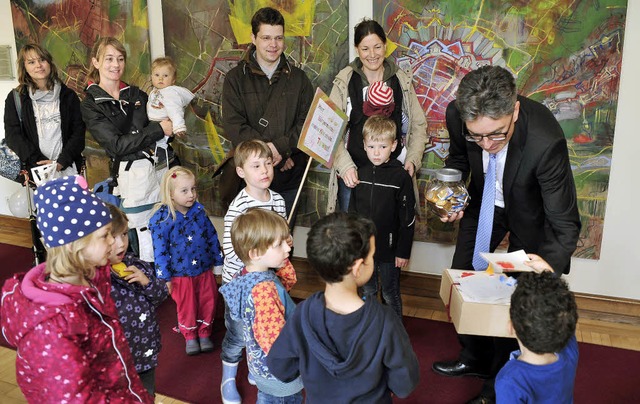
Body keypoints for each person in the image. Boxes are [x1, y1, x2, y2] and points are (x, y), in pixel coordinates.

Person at [431, 65, 582, 404]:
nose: (486, 145)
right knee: (463, 273)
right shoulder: (458, 115)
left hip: (530, 211)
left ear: (514, 110)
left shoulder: (546, 141)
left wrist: (546, 270)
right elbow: (460, 159)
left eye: (496, 134)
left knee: (513, 297)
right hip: (485, 201)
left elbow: (565, 221)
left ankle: (495, 387)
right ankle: (473, 356)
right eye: (477, 136)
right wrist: (452, 197)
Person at [0, 175, 152, 403]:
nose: (113, 242)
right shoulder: (52, 330)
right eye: (105, 236)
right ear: (74, 246)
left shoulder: (93, 275)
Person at [267, 212, 420, 402]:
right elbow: (404, 383)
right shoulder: (385, 320)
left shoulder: (302, 313)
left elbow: (280, 367)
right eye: (371, 257)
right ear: (357, 267)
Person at [81, 37, 173, 263]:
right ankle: (144, 282)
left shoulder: (137, 95)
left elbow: (159, 123)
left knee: (163, 224)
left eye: (120, 59)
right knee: (138, 234)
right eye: (109, 59)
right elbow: (117, 145)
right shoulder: (91, 104)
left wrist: (159, 129)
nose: (116, 64)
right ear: (96, 62)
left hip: (159, 171)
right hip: (131, 179)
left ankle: (164, 280)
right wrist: (158, 130)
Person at [222, 6, 314, 217]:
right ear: (253, 38)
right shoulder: (234, 79)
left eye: (279, 38)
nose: (273, 45)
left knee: (283, 243)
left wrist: (282, 149)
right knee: (251, 244)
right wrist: (272, 152)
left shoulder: (299, 79)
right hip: (250, 182)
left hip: (288, 176)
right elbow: (234, 126)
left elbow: (307, 123)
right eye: (266, 38)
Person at [328, 18, 427, 212]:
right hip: (353, 175)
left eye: (377, 47)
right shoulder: (344, 82)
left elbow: (418, 125)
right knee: (355, 236)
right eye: (365, 49)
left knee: (390, 232)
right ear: (357, 49)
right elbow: (331, 130)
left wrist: (412, 160)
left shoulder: (401, 80)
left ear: (385, 46)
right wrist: (345, 165)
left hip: (393, 174)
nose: (372, 54)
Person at [219, 139, 288, 404]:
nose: (265, 170)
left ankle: (255, 367)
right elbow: (231, 248)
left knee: (262, 330)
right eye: (256, 165)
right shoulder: (239, 207)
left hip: (269, 281)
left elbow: (279, 235)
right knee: (238, 334)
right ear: (241, 172)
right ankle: (227, 377)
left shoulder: (279, 200)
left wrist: (284, 243)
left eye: (268, 163)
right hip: (242, 284)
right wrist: (246, 283)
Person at [219, 208, 303, 404]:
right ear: (255, 253)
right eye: (279, 244)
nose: (288, 248)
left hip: (261, 368)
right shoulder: (264, 291)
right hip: (280, 376)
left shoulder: (247, 272)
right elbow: (276, 342)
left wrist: (281, 259)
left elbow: (285, 283)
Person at [148, 166, 223, 355]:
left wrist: (218, 261)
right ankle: (190, 335)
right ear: (171, 194)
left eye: (193, 189)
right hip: (180, 274)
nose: (191, 194)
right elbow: (160, 251)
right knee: (187, 305)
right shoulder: (163, 219)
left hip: (204, 269)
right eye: (184, 190)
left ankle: (204, 332)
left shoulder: (199, 212)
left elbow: (212, 237)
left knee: (208, 300)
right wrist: (164, 278)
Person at [349, 115, 416, 317]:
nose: (376, 153)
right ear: (364, 145)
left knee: (389, 292)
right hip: (364, 250)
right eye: (371, 147)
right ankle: (371, 327)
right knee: (368, 291)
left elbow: (408, 218)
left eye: (382, 147)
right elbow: (352, 215)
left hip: (390, 251)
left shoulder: (401, 177)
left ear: (394, 145)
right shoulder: (360, 174)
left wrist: (403, 252)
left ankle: (394, 331)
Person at [107, 203, 169, 397]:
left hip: (145, 352)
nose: (121, 243)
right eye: (113, 237)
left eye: (124, 234)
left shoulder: (137, 264)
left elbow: (161, 296)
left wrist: (147, 282)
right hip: (116, 360)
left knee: (147, 394)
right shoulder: (95, 280)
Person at [496, 261, 579, 403]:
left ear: (511, 328)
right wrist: (549, 272)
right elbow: (561, 310)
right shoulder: (569, 352)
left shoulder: (510, 380)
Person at [4, 43, 84, 181]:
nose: (38, 65)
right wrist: (40, 163)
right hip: (38, 171)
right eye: (31, 62)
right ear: (25, 67)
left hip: (68, 168)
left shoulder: (68, 96)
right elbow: (13, 136)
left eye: (42, 60)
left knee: (74, 202)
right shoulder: (16, 98)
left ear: (49, 62)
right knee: (47, 203)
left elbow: (78, 132)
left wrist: (60, 163)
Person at [147, 56, 195, 168]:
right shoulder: (156, 91)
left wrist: (179, 127)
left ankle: (165, 158)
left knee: (159, 144)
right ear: (151, 77)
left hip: (162, 123)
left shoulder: (169, 93)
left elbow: (175, 110)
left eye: (165, 76)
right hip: (154, 122)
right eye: (157, 75)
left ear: (173, 80)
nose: (160, 79)